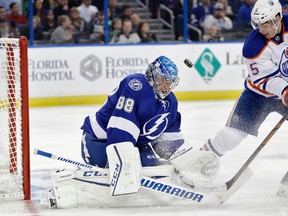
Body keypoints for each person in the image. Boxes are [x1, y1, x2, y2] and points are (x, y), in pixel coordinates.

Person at [80, 56, 219, 195]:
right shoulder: (136, 86)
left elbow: (169, 143)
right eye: (163, 79)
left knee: (155, 170)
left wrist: (188, 159)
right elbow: (121, 126)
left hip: (135, 145)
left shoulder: (171, 103)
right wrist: (124, 160)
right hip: (98, 141)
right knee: (130, 169)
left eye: (170, 81)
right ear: (152, 75)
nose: (166, 86)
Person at [201, 0, 288, 197]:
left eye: (265, 24)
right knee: (231, 137)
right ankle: (197, 164)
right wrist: (285, 91)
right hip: (258, 95)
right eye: (258, 25)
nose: (261, 29)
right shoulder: (253, 46)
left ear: (277, 18)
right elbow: (267, 79)